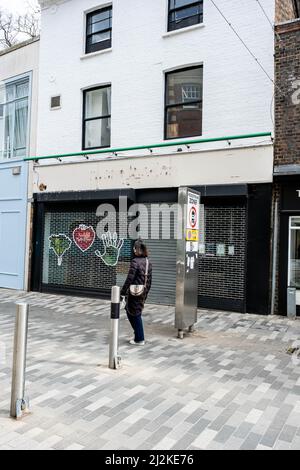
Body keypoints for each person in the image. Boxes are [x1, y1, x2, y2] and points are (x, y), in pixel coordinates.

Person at [121, 240, 152, 346]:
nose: (133, 250)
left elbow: (129, 279)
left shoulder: (135, 262)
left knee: (134, 314)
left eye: (134, 248)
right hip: (142, 292)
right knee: (133, 312)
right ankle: (138, 335)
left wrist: (122, 291)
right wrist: (146, 293)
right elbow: (149, 280)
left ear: (137, 250)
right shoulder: (148, 262)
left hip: (134, 293)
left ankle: (139, 338)